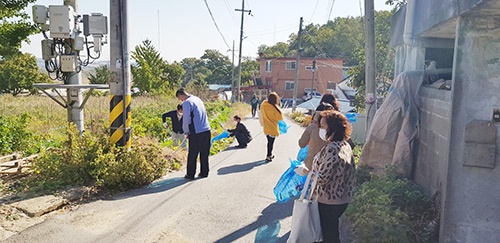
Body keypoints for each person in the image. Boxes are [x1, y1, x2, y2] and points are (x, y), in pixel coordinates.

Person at [310, 110, 356, 243]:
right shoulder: (345, 145)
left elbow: (322, 178)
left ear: (333, 128)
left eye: (324, 126)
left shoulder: (332, 148)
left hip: (329, 200)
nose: (321, 129)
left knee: (328, 235)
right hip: (342, 198)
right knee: (333, 233)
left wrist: (309, 173)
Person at [176, 88, 211, 180]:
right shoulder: (197, 99)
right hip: (206, 129)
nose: (181, 100)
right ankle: (204, 172)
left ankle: (190, 174)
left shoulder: (187, 103)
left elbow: (186, 119)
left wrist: (186, 131)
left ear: (181, 95)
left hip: (196, 131)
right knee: (204, 152)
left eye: (180, 98)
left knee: (193, 154)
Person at [297, 102, 335, 172]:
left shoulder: (312, 127)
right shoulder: (335, 129)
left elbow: (301, 144)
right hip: (327, 169)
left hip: (309, 167)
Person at [260, 92, 283, 162]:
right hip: (273, 128)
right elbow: (280, 118)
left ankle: (269, 155)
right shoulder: (275, 108)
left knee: (269, 142)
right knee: (271, 143)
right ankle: (269, 155)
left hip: (266, 128)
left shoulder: (263, 105)